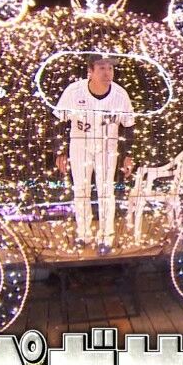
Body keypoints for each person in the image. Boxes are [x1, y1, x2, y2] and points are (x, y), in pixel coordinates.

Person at [53, 54, 135, 255]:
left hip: (107, 147)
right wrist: (60, 151)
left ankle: (106, 237)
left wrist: (128, 155)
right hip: (80, 144)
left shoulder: (120, 94)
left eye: (110, 68)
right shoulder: (74, 91)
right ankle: (83, 234)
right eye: (102, 68)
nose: (107, 73)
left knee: (106, 191)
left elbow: (129, 126)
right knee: (81, 191)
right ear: (90, 71)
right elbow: (58, 121)